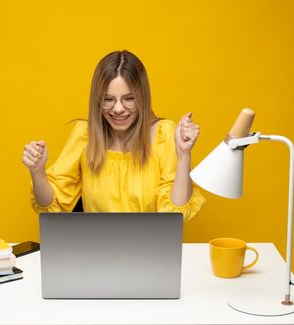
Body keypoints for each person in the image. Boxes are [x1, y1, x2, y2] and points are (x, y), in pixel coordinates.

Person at [22, 50, 205, 221]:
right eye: (108, 99)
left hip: (148, 252)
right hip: (96, 251)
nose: (118, 109)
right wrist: (38, 173)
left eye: (129, 98)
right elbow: (51, 208)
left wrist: (183, 157)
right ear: (97, 100)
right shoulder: (85, 136)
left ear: (143, 96)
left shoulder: (164, 135)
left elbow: (175, 215)